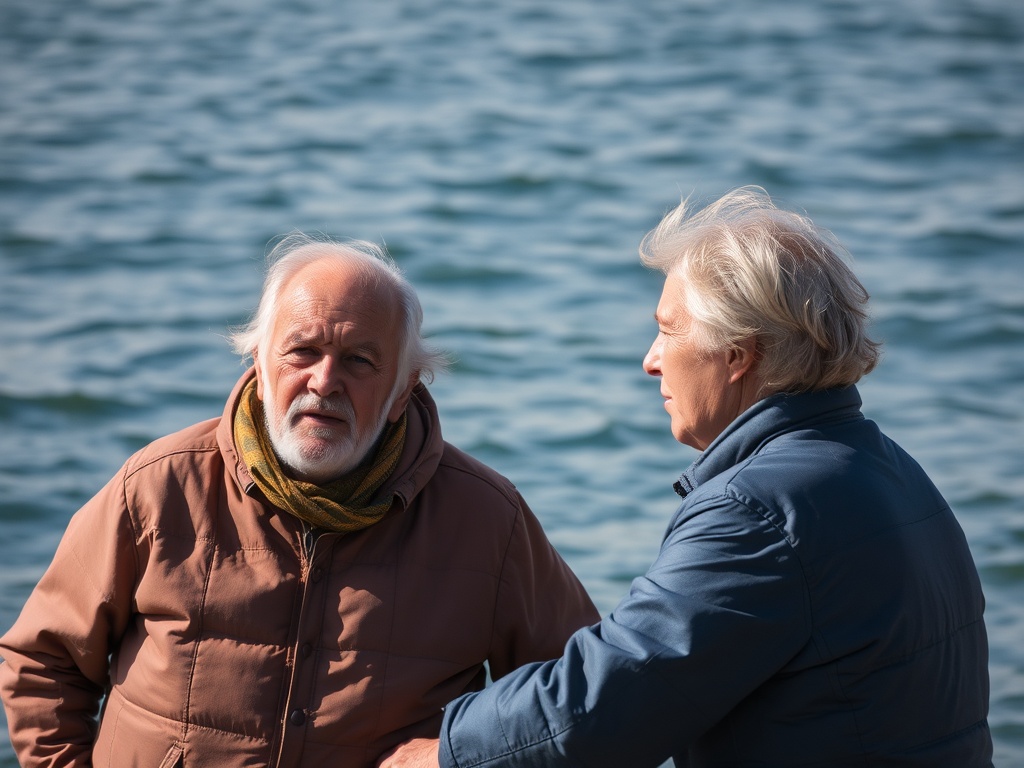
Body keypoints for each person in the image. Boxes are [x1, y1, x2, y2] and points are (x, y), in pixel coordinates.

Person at [379, 187, 993, 768]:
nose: (650, 359)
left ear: (737, 354)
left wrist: (443, 752)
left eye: (668, 330)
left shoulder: (759, 512)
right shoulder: (892, 469)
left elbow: (606, 698)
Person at [0, 234, 600, 767]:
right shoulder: (159, 485)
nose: (323, 380)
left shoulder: (486, 520)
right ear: (258, 364)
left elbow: (580, 696)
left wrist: (460, 754)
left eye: (360, 360)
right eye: (301, 351)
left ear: (401, 392)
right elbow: (41, 663)